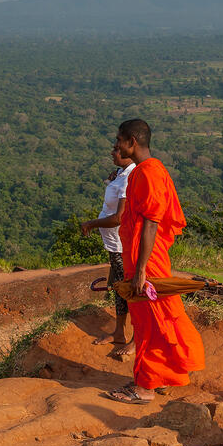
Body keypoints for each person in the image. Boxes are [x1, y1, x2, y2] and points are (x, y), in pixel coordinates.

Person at [103, 118, 204, 404]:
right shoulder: (144, 171)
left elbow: (151, 223)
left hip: (147, 260)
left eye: (119, 141)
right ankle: (158, 376)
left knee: (150, 322)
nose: (116, 146)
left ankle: (145, 387)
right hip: (141, 256)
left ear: (131, 142)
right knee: (154, 319)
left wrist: (141, 271)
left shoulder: (149, 174)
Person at [79, 147, 136, 359]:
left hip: (123, 245)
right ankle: (119, 332)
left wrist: (91, 224)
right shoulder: (122, 174)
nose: (112, 153)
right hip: (114, 245)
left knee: (131, 292)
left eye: (117, 149)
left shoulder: (130, 177)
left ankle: (136, 340)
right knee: (118, 288)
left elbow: (119, 218)